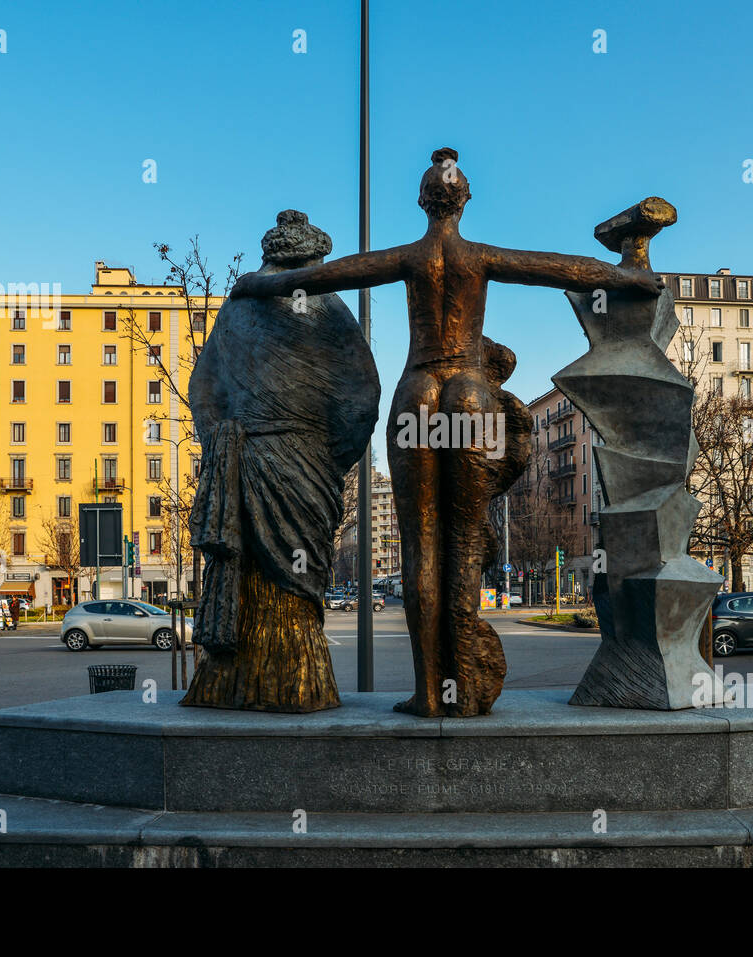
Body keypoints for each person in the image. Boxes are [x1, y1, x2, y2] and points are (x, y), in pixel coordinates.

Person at [231, 147, 661, 716]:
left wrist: (256, 287)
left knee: (421, 548)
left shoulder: (409, 257)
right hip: (468, 389)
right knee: (461, 540)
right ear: (465, 200)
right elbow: (556, 267)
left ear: (422, 200)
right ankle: (463, 683)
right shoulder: (479, 256)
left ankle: (430, 691)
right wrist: (627, 274)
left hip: (419, 390)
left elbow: (324, 274)